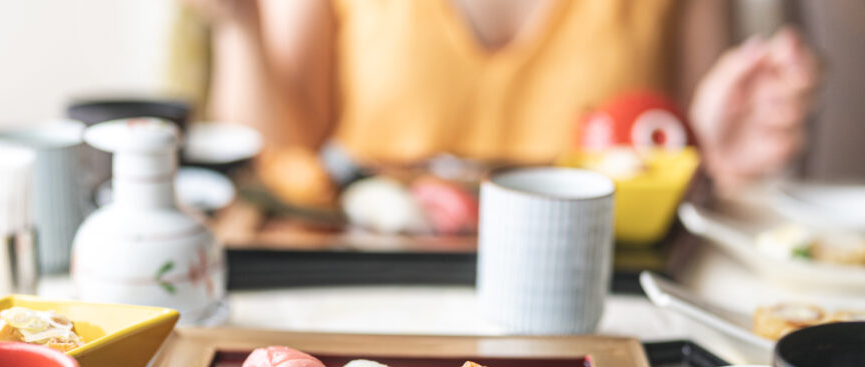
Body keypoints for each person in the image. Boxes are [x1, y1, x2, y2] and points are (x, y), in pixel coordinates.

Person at [187, 0, 820, 193]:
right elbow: (273, 155)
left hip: (606, 312)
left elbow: (693, 162)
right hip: (361, 299)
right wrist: (237, 23)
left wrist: (712, 154)